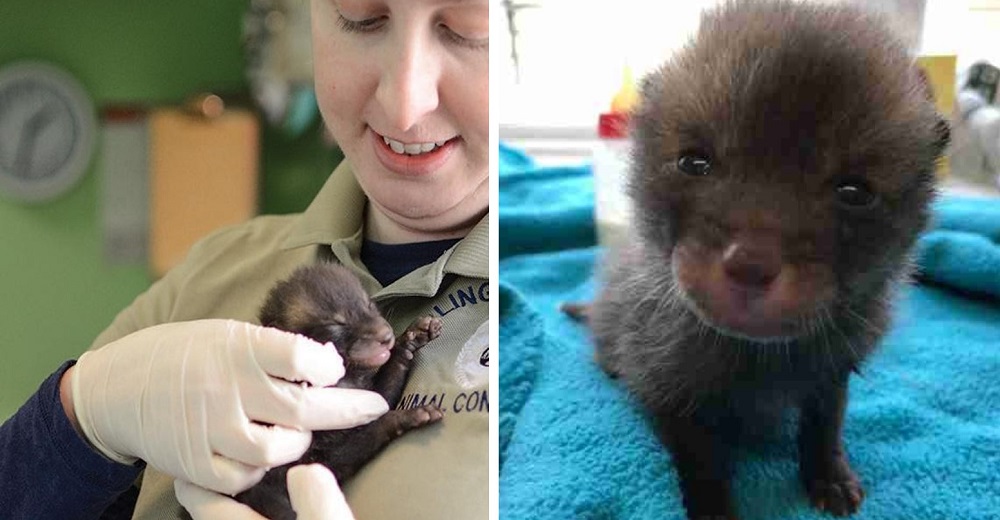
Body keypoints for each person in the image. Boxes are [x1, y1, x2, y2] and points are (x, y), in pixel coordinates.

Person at [0, 0, 489, 518]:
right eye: (360, 17)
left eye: (470, 31)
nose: (403, 104)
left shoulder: (556, 296)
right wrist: (77, 418)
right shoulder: (213, 270)